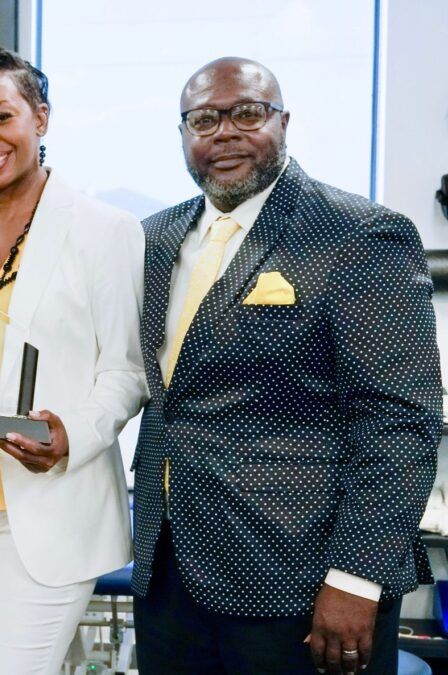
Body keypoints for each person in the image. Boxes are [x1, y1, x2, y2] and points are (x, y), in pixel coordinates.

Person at [133, 56, 441, 674]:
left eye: (246, 113)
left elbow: (400, 422)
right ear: (183, 135)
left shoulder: (359, 233)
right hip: (169, 576)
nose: (224, 132)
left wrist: (357, 576)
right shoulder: (154, 238)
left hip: (301, 582)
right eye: (202, 120)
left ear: (284, 122)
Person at [0, 45, 146, 674]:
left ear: (40, 118)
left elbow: (127, 370)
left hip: (43, 513)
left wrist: (71, 435)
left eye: (1, 117)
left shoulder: (105, 229)